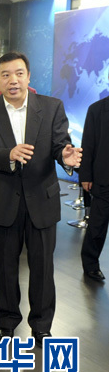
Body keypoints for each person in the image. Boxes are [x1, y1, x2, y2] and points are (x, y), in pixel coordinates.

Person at [0, 51, 82, 346]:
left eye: (19, 73)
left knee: (43, 267)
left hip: (42, 199)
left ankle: (42, 325)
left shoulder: (51, 107)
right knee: (6, 267)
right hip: (5, 200)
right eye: (6, 74)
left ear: (29, 76)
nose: (13, 80)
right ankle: (7, 321)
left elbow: (60, 144)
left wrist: (65, 156)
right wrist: (7, 154)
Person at [79, 89, 109, 283]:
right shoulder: (97, 109)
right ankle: (90, 264)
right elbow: (88, 144)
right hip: (104, 178)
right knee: (97, 224)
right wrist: (86, 175)